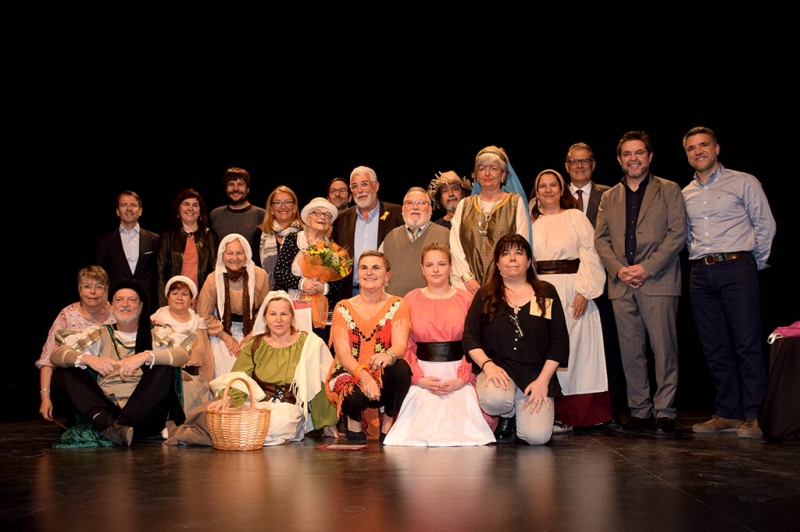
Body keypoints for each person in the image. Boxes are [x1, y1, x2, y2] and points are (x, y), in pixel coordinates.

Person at [682, 126, 776, 440]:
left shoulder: (744, 181)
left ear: (717, 148)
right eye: (692, 148)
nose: (698, 152)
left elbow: (765, 225)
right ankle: (728, 412)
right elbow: (687, 236)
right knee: (714, 346)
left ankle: (755, 415)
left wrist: (752, 263)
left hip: (738, 267)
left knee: (747, 344)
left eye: (703, 145)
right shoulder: (685, 193)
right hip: (701, 273)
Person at [594, 131, 687, 435]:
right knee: (631, 352)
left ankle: (665, 411)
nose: (633, 159)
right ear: (620, 159)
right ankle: (640, 410)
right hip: (622, 285)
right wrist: (619, 270)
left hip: (658, 281)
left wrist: (646, 268)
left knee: (664, 349)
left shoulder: (669, 190)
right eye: (627, 154)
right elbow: (601, 239)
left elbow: (677, 235)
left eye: (639, 153)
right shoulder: (610, 196)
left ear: (649, 156)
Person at [50, 280, 191, 446]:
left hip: (145, 414)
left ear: (141, 306)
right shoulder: (99, 333)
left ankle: (114, 428)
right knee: (71, 367)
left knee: (164, 368)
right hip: (108, 410)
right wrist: (89, 359)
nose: (125, 304)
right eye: (119, 300)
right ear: (112, 306)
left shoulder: (158, 333)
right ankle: (110, 425)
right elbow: (57, 355)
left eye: (131, 300)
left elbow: (182, 354)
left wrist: (145, 356)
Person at [383, 243, 495, 446]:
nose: (435, 269)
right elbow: (406, 344)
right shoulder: (411, 299)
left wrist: (463, 378)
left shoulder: (467, 299)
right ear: (421, 269)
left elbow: (475, 342)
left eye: (441, 264)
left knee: (468, 430)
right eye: (430, 265)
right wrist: (419, 379)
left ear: (451, 267)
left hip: (460, 371)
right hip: (424, 374)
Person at [462, 234, 569, 445]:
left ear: (528, 262)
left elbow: (559, 341)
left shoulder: (545, 293)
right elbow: (470, 336)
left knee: (537, 438)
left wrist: (543, 381)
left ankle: (516, 411)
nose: (512, 258)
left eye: (519, 253)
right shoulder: (485, 295)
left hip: (535, 374)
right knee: (495, 400)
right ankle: (507, 413)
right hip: (499, 370)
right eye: (506, 253)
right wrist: (488, 365)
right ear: (498, 263)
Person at [530, 169, 611, 433]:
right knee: (546, 350)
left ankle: (584, 414)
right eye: (542, 186)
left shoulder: (575, 217)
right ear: (536, 191)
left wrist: (585, 291)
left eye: (553, 185)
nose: (548, 190)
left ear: (562, 189)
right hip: (540, 291)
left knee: (578, 352)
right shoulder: (530, 221)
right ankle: (552, 414)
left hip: (573, 288)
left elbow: (591, 254)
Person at [206, 291, 340, 444]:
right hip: (258, 406)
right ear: (265, 318)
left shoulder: (310, 343)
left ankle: (253, 436)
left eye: (284, 314)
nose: (278, 320)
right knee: (239, 418)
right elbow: (239, 377)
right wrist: (228, 399)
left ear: (292, 317)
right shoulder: (255, 344)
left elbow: (322, 381)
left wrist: (328, 422)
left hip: (289, 410)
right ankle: (255, 436)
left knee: (278, 421)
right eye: (273, 314)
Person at [562, 142, 625, 426]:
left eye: (585, 161)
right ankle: (567, 409)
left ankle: (611, 410)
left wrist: (590, 285)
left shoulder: (610, 195)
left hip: (605, 283)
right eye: (574, 161)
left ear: (594, 164)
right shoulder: (552, 195)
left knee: (608, 348)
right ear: (566, 166)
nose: (579, 165)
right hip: (565, 287)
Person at [325, 251, 413, 442]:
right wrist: (364, 376)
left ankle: (388, 421)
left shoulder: (398, 305)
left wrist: (388, 356)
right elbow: (343, 354)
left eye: (376, 267)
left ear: (387, 275)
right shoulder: (343, 307)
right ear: (357, 274)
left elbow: (400, 346)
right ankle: (353, 421)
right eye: (363, 267)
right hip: (350, 372)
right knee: (351, 394)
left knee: (401, 368)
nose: (369, 272)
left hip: (381, 374)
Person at [36, 266, 116, 423]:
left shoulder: (116, 313)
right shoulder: (67, 315)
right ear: (79, 289)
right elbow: (47, 359)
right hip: (76, 378)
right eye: (87, 286)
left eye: (98, 287)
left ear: (106, 289)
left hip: (109, 375)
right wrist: (45, 398)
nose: (92, 292)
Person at [450, 146, 531, 295]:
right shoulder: (464, 205)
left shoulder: (514, 203)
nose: (487, 173)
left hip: (505, 285)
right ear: (476, 175)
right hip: (468, 287)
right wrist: (467, 278)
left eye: (493, 168)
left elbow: (521, 244)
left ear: (503, 174)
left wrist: (504, 281)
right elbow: (455, 245)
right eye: (482, 168)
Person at [273, 197, 346, 344]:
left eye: (327, 215)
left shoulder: (334, 249)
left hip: (320, 314)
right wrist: (302, 283)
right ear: (307, 218)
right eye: (317, 213)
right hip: (291, 310)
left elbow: (339, 283)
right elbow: (279, 274)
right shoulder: (293, 239)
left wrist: (324, 287)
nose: (322, 217)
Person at [198, 233, 270, 379]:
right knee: (223, 370)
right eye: (229, 253)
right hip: (221, 330)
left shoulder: (260, 276)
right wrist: (226, 337)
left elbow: (267, 308)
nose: (234, 258)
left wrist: (254, 332)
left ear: (247, 254)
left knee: (253, 368)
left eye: (239, 253)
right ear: (222, 255)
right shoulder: (213, 279)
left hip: (253, 329)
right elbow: (203, 314)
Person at [330, 166, 404, 299]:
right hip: (350, 294)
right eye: (354, 186)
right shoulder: (340, 220)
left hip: (387, 293)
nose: (360, 190)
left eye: (364, 184)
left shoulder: (397, 214)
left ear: (376, 186)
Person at [150, 275, 214, 413]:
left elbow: (207, 360)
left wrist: (206, 385)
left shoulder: (199, 324)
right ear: (167, 297)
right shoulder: (156, 322)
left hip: (197, 386)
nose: (179, 297)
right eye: (175, 293)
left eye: (184, 294)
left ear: (192, 300)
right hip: (167, 386)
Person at [380, 187, 453, 296]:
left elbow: (455, 275)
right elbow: (379, 273)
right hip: (396, 307)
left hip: (432, 305)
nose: (415, 207)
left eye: (421, 203)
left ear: (430, 210)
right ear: (402, 209)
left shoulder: (446, 235)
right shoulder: (390, 236)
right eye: (410, 203)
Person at [96, 190, 160, 309]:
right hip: (116, 302)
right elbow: (101, 276)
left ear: (140, 211)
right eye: (124, 205)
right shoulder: (105, 241)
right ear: (117, 211)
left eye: (133, 205)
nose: (129, 208)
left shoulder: (155, 239)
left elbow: (159, 274)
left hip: (147, 303)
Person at [156, 188, 219, 308]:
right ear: (178, 210)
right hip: (174, 301)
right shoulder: (167, 237)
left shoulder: (210, 236)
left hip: (202, 301)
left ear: (200, 211)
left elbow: (215, 271)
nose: (191, 208)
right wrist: (164, 305)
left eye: (195, 205)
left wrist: (206, 299)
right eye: (186, 204)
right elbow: (160, 274)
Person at [209, 167, 266, 260]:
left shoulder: (261, 215)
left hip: (252, 272)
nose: (235, 188)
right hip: (222, 272)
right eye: (231, 184)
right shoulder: (215, 215)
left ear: (248, 189)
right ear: (225, 189)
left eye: (240, 184)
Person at [257, 185, 303, 289]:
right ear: (271, 208)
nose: (283, 207)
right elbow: (255, 266)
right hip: (266, 291)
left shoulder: (303, 233)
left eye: (287, 202)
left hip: (297, 293)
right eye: (277, 203)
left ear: (294, 207)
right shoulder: (259, 233)